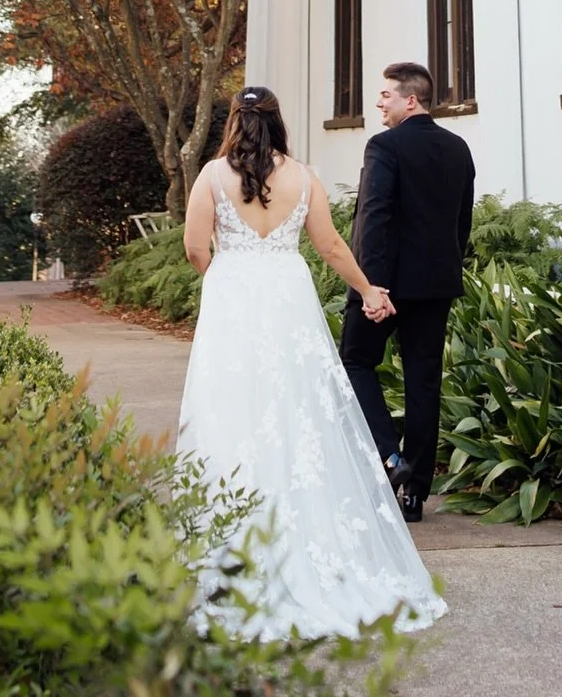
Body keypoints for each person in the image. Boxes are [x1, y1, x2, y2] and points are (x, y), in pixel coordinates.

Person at [178, 86, 446, 641]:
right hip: (287, 298)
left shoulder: (211, 175)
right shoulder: (302, 177)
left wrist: (224, 276)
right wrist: (368, 290)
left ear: (233, 122)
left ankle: (232, 546)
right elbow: (330, 247)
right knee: (296, 409)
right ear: (278, 122)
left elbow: (194, 246)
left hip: (233, 302)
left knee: (231, 409)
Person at [339, 61, 476, 522]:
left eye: (386, 95)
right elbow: (462, 221)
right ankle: (415, 494)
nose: (379, 102)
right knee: (423, 382)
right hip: (435, 286)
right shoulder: (458, 147)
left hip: (385, 286)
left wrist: (370, 287)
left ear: (410, 100)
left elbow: (372, 216)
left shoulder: (384, 146)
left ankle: (390, 458)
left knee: (354, 362)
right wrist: (447, 269)